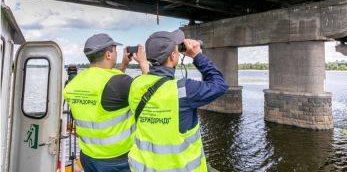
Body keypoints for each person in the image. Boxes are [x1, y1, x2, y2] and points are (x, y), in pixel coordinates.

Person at [127, 30, 228, 171]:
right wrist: (197, 55)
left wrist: (144, 64)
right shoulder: (183, 90)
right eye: (176, 48)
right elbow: (220, 84)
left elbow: (153, 82)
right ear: (173, 56)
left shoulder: (136, 84)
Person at [63, 33, 149, 172]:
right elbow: (154, 93)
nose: (116, 53)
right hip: (117, 160)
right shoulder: (119, 82)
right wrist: (143, 63)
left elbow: (108, 85)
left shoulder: (73, 85)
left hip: (88, 156)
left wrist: (123, 64)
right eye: (115, 50)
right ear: (108, 55)